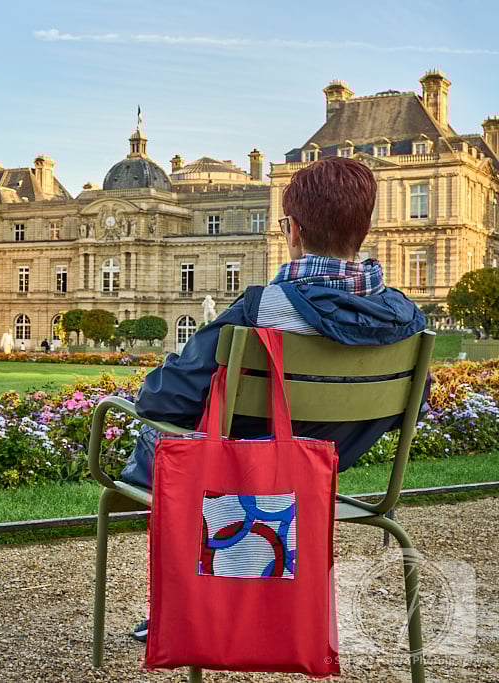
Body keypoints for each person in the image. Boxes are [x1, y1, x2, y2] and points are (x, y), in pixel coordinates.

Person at [122, 157, 426, 644]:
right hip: (322, 474)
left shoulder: (261, 308)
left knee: (158, 441)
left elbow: (164, 399)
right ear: (365, 230)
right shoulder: (406, 317)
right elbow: (409, 409)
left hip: (236, 484)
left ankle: (191, 608)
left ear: (292, 231)